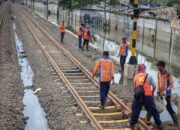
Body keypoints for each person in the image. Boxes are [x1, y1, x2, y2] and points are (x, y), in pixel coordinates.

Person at [130, 64, 162, 129]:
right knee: (154, 110)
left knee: (136, 110)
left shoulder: (135, 77)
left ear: (138, 69)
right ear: (144, 69)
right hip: (148, 96)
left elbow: (135, 87)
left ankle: (132, 125)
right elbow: (154, 86)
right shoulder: (148, 76)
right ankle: (159, 125)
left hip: (138, 96)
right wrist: (152, 92)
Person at [156, 60, 178, 126]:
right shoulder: (158, 73)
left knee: (168, 108)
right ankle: (156, 122)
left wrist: (165, 91)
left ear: (162, 66)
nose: (157, 67)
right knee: (156, 106)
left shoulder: (168, 74)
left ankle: (176, 122)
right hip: (160, 93)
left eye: (158, 66)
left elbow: (171, 85)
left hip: (166, 94)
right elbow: (158, 83)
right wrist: (158, 92)